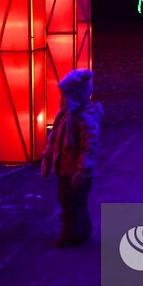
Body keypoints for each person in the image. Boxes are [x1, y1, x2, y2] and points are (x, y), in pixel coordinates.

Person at [40, 68, 103, 247]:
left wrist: (84, 169)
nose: (61, 99)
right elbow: (54, 139)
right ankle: (81, 229)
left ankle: (72, 233)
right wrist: (48, 157)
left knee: (71, 202)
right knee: (70, 200)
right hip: (65, 168)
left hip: (76, 171)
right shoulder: (64, 116)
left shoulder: (85, 118)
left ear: (74, 95)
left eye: (64, 95)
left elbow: (89, 146)